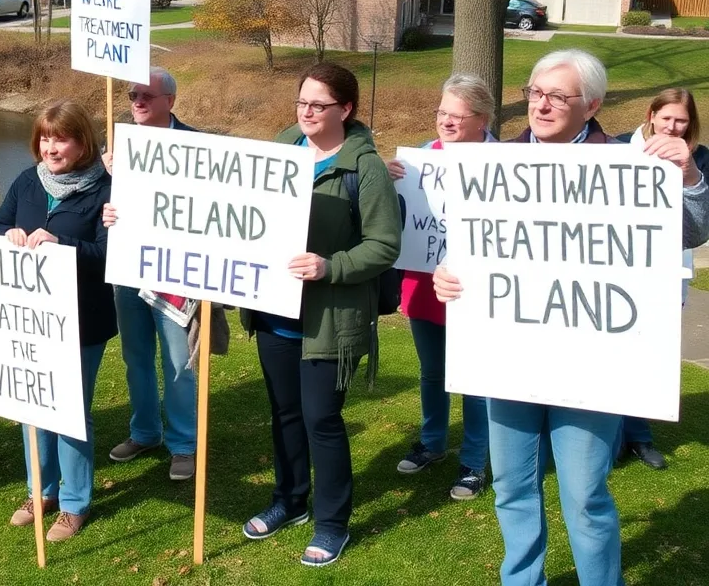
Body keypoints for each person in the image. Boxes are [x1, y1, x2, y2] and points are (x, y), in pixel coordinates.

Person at [433, 50, 709, 586]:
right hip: (509, 358)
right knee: (512, 485)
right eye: (535, 92)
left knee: (584, 494)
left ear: (593, 105)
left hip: (591, 365)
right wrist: (449, 272)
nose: (541, 105)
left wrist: (690, 175)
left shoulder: (631, 166)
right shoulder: (492, 165)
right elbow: (471, 245)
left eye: (558, 96)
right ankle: (522, 579)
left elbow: (692, 231)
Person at [240, 62, 401, 567]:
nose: (306, 112)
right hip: (274, 312)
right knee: (284, 413)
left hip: (329, 319)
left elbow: (384, 244)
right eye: (301, 101)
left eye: (318, 104)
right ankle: (289, 501)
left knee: (321, 420)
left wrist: (331, 266)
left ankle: (332, 524)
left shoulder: (364, 167)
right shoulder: (283, 146)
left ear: (345, 109)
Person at [0, 100, 115, 542]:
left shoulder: (105, 191)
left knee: (70, 412)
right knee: (33, 405)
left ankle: (74, 503)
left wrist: (61, 244)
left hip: (82, 320)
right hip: (30, 319)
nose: (50, 148)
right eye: (44, 138)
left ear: (83, 143)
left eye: (61, 139)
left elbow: (110, 255)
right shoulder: (27, 181)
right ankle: (41, 491)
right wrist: (6, 234)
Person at [386, 74, 494, 500]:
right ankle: (432, 442)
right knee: (432, 371)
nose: (446, 121)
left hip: (476, 291)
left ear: (482, 119)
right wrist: (387, 180)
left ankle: (474, 462)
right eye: (442, 112)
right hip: (424, 282)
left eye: (457, 115)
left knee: (476, 380)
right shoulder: (420, 159)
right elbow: (399, 218)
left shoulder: (503, 163)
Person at [102, 67, 199, 481]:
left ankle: (184, 444)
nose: (138, 102)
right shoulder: (116, 147)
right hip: (128, 267)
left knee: (178, 362)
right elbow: (97, 207)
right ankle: (145, 432)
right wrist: (106, 187)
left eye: (147, 95)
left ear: (170, 101)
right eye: (132, 95)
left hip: (173, 272)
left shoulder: (196, 146)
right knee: (136, 356)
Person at [615, 87, 709, 470]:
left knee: (648, 353)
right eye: (666, 117)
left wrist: (689, 172)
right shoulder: (618, 147)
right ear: (651, 115)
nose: (672, 126)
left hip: (667, 270)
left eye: (681, 121)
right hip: (617, 267)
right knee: (614, 352)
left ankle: (639, 435)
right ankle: (611, 433)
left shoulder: (700, 158)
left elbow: (701, 224)